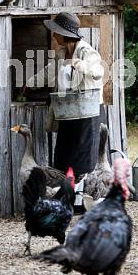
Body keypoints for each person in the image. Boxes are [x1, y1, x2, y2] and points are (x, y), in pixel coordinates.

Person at [27, 12, 105, 178]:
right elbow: (49, 72)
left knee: (82, 164)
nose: (54, 35)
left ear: (64, 34)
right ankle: (66, 198)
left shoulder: (86, 52)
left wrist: (82, 66)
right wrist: (30, 84)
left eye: (56, 32)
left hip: (86, 115)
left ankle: (82, 200)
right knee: (63, 159)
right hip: (68, 113)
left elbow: (99, 71)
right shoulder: (62, 53)